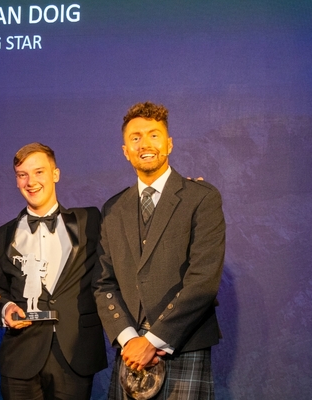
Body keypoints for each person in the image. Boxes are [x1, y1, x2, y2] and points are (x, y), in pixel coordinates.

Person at [93, 102, 225, 399]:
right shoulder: (113, 209)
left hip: (182, 344)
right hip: (131, 352)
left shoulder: (201, 198)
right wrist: (130, 340)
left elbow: (203, 281)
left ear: (169, 143)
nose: (145, 144)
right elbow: (104, 283)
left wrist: (152, 341)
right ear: (125, 150)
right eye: (135, 138)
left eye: (154, 135)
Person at [0, 142, 107, 400]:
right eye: (23, 175)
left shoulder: (90, 220)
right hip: (20, 356)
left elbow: (130, 221)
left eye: (39, 172)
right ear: (17, 181)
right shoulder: (0, 237)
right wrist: (6, 309)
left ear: (55, 174)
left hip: (75, 352)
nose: (31, 181)